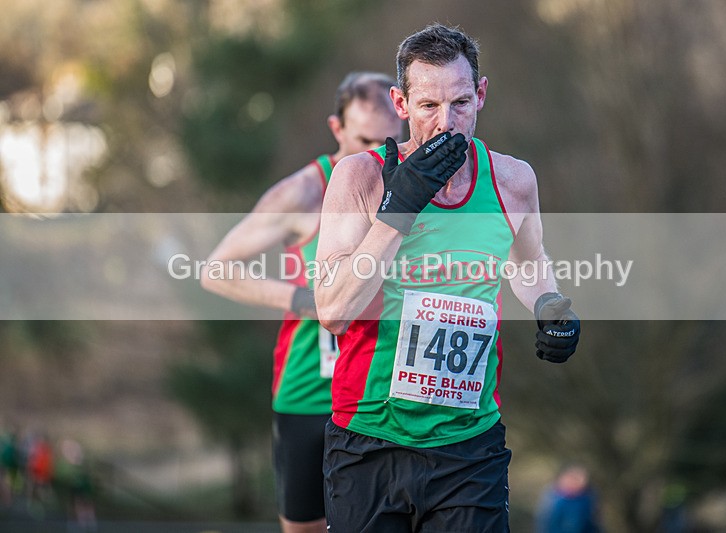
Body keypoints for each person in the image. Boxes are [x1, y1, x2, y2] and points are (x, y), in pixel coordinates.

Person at [315, 24, 581, 532]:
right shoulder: (360, 179)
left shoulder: (513, 181)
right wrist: (397, 212)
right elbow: (332, 311)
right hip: (370, 437)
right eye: (428, 107)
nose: (446, 122)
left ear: (480, 94)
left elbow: (527, 263)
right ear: (400, 103)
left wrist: (551, 304)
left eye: (460, 103)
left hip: (469, 443)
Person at [201, 72, 403, 533]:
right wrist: (305, 299)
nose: (378, 153)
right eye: (365, 140)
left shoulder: (414, 181)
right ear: (337, 129)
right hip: (312, 390)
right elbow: (216, 269)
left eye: (390, 141)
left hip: (385, 391)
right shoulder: (305, 193)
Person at [535, 464, 602, 533]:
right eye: (573, 478)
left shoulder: (588, 499)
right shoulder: (554, 498)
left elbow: (594, 523)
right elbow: (546, 523)